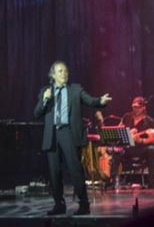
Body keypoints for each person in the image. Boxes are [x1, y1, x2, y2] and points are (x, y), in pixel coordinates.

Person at [34, 61, 112, 216]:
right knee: (54, 172)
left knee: (75, 170)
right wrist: (44, 100)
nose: (64, 73)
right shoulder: (46, 91)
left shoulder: (75, 89)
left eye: (65, 71)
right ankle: (59, 204)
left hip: (68, 132)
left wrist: (100, 101)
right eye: (60, 71)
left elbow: (91, 101)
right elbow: (37, 113)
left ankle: (84, 204)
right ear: (53, 75)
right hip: (52, 134)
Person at [109, 96, 154, 189]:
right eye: (134, 107)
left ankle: (152, 182)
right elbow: (118, 131)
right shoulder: (126, 117)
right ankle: (113, 181)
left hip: (141, 149)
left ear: (143, 107)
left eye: (138, 107)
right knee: (116, 150)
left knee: (152, 150)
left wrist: (141, 140)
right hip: (128, 148)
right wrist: (127, 134)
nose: (135, 109)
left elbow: (152, 139)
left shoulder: (149, 121)